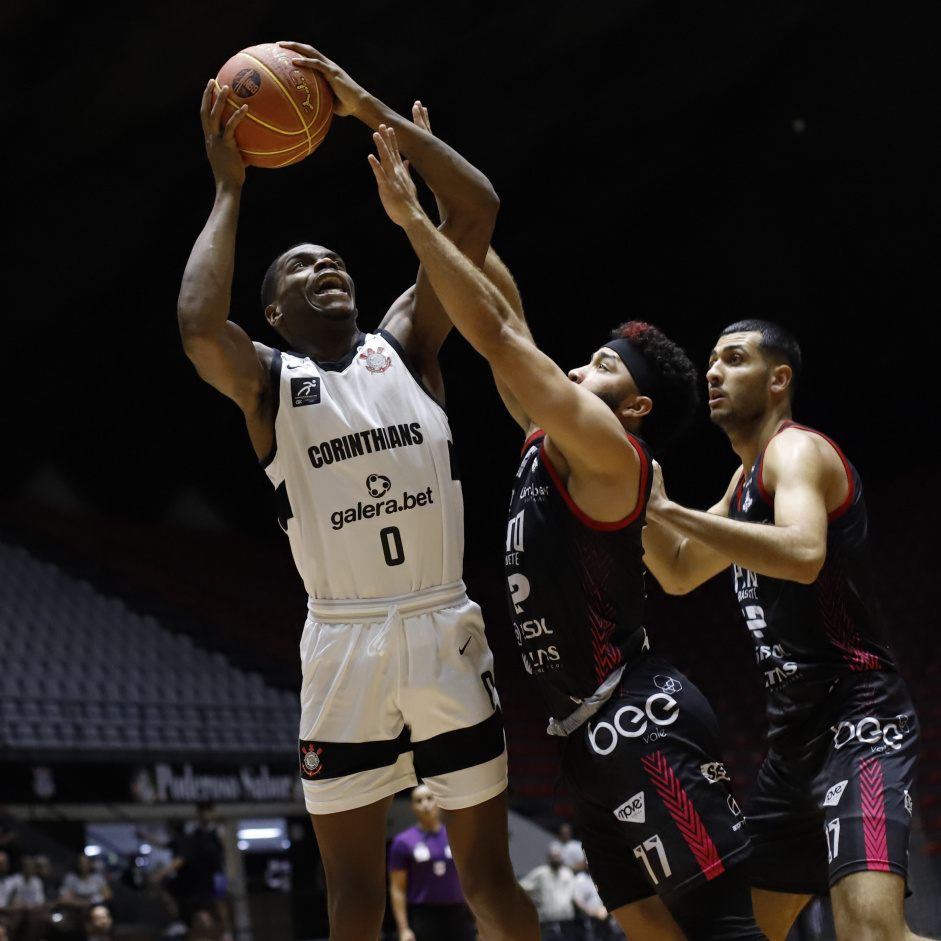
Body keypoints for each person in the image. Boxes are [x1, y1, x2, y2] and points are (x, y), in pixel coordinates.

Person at [366, 125, 767, 940]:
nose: (578, 370)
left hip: (637, 719)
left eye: (601, 365)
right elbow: (505, 309)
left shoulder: (613, 452)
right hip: (583, 736)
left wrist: (419, 225)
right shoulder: (560, 445)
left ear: (635, 408)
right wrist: (459, 215)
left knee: (725, 924)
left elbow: (500, 339)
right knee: (646, 928)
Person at [177, 42, 538, 941]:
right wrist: (228, 188)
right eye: (299, 268)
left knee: (489, 877)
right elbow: (194, 325)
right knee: (350, 896)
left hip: (440, 624)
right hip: (341, 643)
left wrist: (361, 105)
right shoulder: (267, 382)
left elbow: (477, 208)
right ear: (273, 312)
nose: (324, 266)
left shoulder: (407, 344)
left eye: (332, 257)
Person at [640, 320, 927, 941]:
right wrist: (627, 499)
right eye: (710, 361)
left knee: (871, 933)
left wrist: (667, 511)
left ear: (778, 379)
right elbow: (680, 571)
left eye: (733, 359)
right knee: (749, 929)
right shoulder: (743, 482)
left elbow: (802, 552)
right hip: (793, 743)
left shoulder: (796, 451)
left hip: (859, 720)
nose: (713, 372)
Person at [387, 784, 475, 941]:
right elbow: (397, 889)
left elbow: (469, 879)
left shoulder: (456, 836)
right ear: (413, 807)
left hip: (458, 914)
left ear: (438, 802)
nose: (425, 804)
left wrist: (479, 920)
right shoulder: (403, 842)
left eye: (429, 798)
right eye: (418, 801)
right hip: (423, 915)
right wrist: (403, 929)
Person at [520, 843, 577, 940]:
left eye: (557, 856)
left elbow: (574, 895)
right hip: (547, 922)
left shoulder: (567, 873)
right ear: (548, 858)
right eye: (553, 856)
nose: (556, 859)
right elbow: (522, 887)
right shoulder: (540, 873)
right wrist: (532, 902)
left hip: (567, 921)